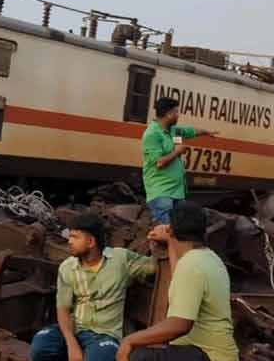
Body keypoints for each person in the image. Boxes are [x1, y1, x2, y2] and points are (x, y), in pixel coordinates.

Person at [116, 202, 238, 361]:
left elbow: (180, 325)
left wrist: (130, 340)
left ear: (171, 229)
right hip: (212, 352)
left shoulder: (191, 265)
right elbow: (179, 279)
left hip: (209, 355)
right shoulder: (208, 257)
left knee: (137, 356)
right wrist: (170, 240)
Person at [31, 213, 156, 361]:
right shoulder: (67, 267)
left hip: (105, 335)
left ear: (90, 242)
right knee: (40, 347)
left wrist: (156, 243)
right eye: (70, 237)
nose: (69, 242)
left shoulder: (120, 259)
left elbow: (152, 267)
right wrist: (72, 344)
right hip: (75, 329)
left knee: (98, 357)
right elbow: (63, 309)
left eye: (75, 237)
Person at [141, 97, 217, 224]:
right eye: (176, 112)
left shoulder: (173, 130)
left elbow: (191, 131)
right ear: (169, 114)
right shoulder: (152, 134)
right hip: (162, 193)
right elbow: (159, 162)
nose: (178, 115)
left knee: (178, 230)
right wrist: (177, 152)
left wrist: (206, 132)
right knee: (166, 230)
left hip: (177, 192)